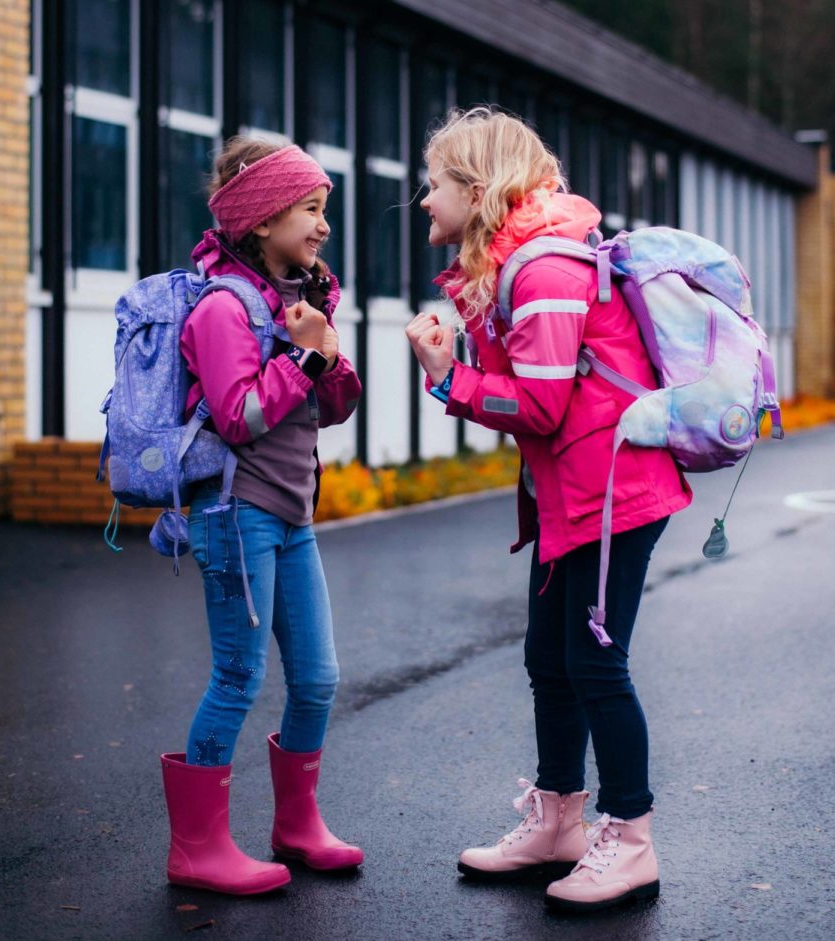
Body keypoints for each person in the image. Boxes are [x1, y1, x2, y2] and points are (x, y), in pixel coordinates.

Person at [406, 108, 693, 912]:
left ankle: (629, 838)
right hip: (574, 497)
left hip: (613, 495)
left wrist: (445, 378)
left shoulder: (546, 268)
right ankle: (559, 820)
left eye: (436, 185)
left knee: (595, 662)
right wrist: (468, 316)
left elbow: (538, 403)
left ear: (478, 187)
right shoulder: (516, 265)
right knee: (549, 660)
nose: (425, 200)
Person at [159, 137, 364, 896]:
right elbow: (239, 417)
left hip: (291, 514)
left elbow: (335, 408)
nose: (322, 227)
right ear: (261, 216)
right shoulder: (221, 307)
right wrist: (305, 358)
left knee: (317, 678)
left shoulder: (301, 300)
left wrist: (328, 357)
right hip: (234, 512)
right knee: (240, 676)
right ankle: (198, 847)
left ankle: (297, 825)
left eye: (322, 210)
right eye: (310, 209)